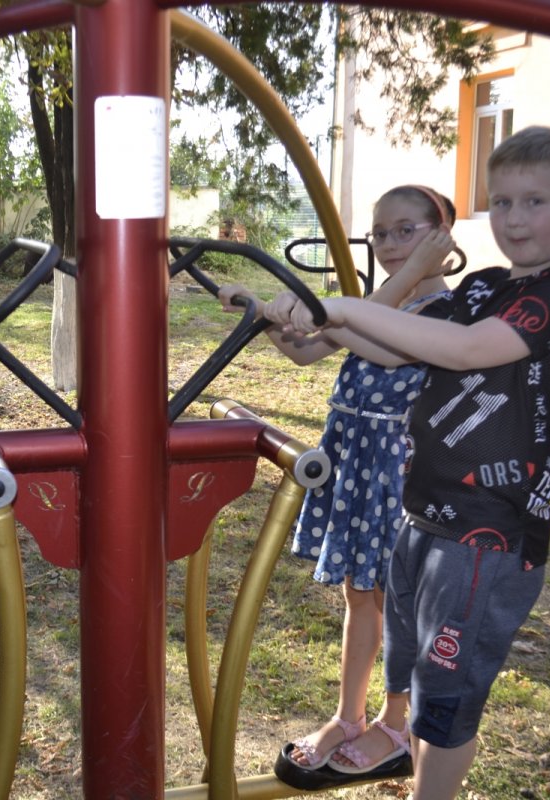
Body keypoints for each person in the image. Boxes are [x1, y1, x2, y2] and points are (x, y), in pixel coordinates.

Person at [265, 126, 550, 799]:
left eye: (534, 202)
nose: (514, 219)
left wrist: (337, 306)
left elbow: (469, 351)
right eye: (501, 202)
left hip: (486, 531)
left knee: (446, 697)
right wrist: (310, 321)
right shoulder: (482, 287)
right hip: (420, 516)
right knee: (417, 676)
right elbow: (394, 348)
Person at [221, 186, 459, 788]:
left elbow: (374, 338)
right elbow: (307, 351)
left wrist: (343, 302)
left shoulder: (446, 312)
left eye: (406, 231)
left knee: (397, 601)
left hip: (399, 471)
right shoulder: (382, 300)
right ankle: (349, 717)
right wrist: (260, 310)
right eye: (379, 233)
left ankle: (396, 725)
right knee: (360, 593)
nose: (388, 244)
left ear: (442, 235)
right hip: (355, 459)